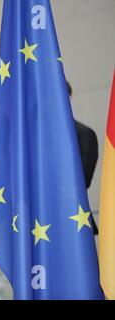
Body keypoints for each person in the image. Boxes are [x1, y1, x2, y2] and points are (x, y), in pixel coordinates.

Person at [67, 81, 99, 235]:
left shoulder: (85, 134)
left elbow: (83, 180)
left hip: (75, 220)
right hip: (40, 225)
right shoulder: (35, 139)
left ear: (69, 97)